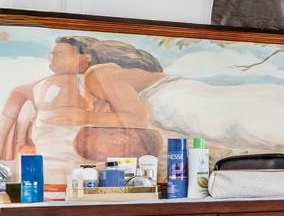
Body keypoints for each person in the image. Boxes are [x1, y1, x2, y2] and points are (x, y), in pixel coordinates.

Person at [0, 36, 168, 186]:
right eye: (51, 54)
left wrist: (84, 117)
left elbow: (137, 120)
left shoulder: (99, 79)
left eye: (59, 54)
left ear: (85, 57)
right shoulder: (38, 88)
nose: (51, 58)